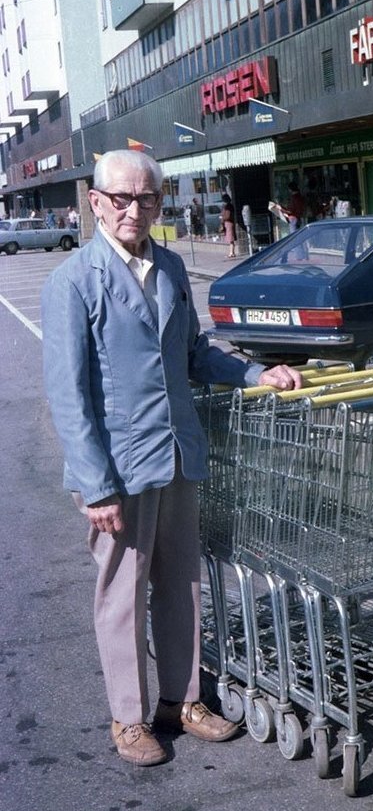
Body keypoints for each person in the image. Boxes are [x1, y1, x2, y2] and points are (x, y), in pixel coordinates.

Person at [41, 149, 302, 767]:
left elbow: (193, 353)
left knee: (181, 585)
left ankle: (181, 701)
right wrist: (95, 485)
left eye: (148, 198)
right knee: (122, 593)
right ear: (97, 203)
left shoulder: (171, 268)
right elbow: (68, 396)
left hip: (178, 455)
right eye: (123, 199)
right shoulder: (73, 281)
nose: (136, 210)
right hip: (119, 469)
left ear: (161, 202)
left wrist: (255, 373)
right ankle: (128, 717)